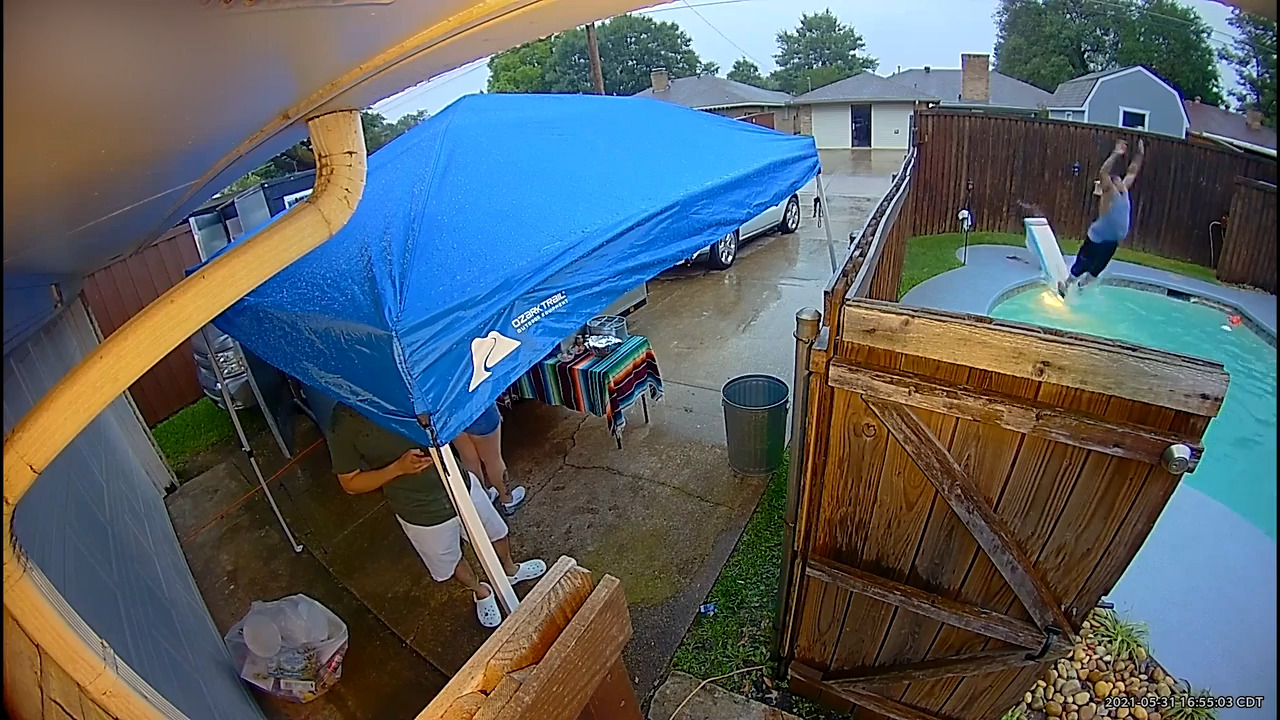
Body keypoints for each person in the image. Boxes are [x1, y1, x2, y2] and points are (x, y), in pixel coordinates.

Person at [326, 402, 546, 628]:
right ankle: (480, 591)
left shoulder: (410, 390)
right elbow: (350, 482)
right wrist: (397, 469)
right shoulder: (344, 418)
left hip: (460, 484)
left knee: (496, 532)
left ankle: (510, 570)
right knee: (449, 561)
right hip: (417, 510)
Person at [1058, 138, 1144, 297]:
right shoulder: (1109, 192)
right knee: (1082, 264)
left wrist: (1140, 153)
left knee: (1096, 270)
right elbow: (1103, 172)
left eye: (1120, 179)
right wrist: (1116, 154)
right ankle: (1067, 283)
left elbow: (1133, 171)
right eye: (1116, 179)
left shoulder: (1124, 191)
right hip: (1098, 236)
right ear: (1112, 183)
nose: (1119, 179)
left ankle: (1080, 288)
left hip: (1112, 240)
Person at [453, 402, 527, 515]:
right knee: (493, 459)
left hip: (450, 415)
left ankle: (484, 498)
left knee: (468, 458)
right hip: (477, 406)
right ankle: (507, 500)